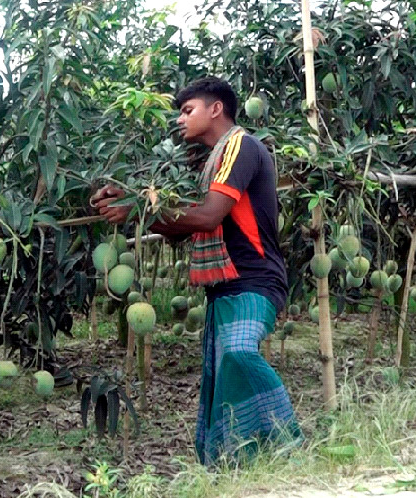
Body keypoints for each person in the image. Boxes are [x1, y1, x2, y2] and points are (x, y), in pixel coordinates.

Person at [91, 77, 301, 467]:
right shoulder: (209, 163)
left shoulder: (241, 146)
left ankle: (288, 443)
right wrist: (128, 201)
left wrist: (139, 209)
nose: (181, 120)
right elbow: (178, 223)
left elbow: (207, 217)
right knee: (221, 377)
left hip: (255, 279)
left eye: (188, 111)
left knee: (238, 354)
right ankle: (236, 462)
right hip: (223, 288)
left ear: (216, 109)